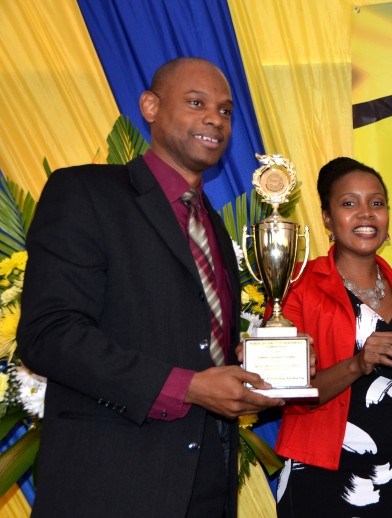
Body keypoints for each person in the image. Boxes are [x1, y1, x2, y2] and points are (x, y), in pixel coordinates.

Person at [17, 57, 288, 518]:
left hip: (207, 483)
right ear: (150, 106)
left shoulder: (213, 226)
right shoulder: (85, 192)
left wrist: (268, 363)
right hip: (111, 485)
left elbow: (199, 343)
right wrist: (186, 388)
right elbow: (49, 334)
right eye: (196, 103)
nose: (214, 119)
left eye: (225, 111)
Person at [274, 157, 392, 517]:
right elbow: (290, 395)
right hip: (323, 477)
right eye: (349, 204)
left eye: (376, 203)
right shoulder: (298, 289)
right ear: (327, 218)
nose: (366, 214)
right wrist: (358, 364)